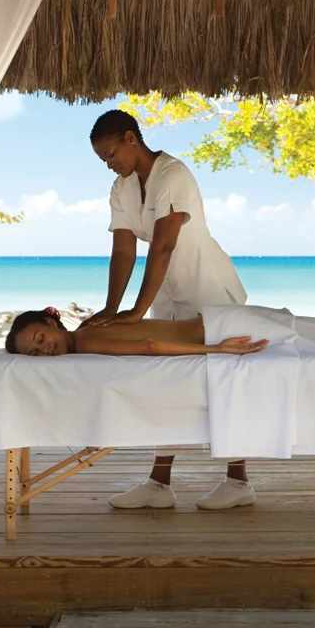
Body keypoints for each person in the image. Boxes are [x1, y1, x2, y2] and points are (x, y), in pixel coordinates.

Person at [81, 108, 254, 510]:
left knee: (222, 385)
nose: (110, 165)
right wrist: (111, 309)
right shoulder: (122, 188)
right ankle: (159, 485)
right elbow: (123, 250)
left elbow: (163, 244)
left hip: (207, 290)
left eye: (111, 154)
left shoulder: (172, 174)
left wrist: (137, 313)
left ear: (130, 138)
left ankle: (239, 482)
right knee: (168, 383)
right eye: (103, 160)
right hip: (166, 295)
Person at [6, 307, 268, 358]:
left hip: (224, 330)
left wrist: (218, 348)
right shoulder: (88, 326)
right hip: (217, 321)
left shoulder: (87, 340)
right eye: (35, 353)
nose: (45, 350)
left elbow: (150, 345)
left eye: (41, 339)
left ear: (51, 323)